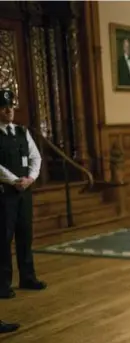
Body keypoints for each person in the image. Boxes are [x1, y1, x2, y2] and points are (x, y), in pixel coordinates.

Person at [0, 88, 47, 299]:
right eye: (3, 107)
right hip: (5, 193)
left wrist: (31, 178)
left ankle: (28, 277)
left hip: (24, 191)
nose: (8, 110)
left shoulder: (21, 132)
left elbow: (35, 157)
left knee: (25, 235)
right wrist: (13, 180)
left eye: (10, 106)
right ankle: (3, 284)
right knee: (4, 238)